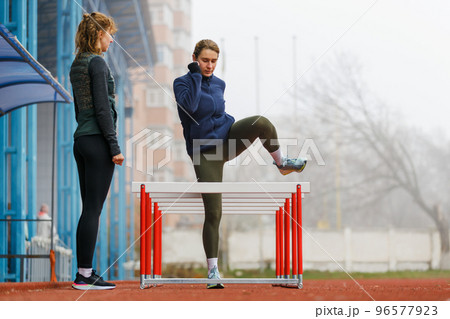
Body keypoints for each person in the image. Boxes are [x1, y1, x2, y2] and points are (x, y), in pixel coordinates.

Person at [173, 39, 307, 288]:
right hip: (204, 152)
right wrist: (194, 75)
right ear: (194, 58)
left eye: (214, 61)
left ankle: (281, 163)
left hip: (227, 138)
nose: (209, 65)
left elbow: (218, 113)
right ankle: (213, 272)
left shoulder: (219, 84)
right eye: (204, 60)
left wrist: (231, 129)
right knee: (214, 212)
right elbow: (190, 107)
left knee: (261, 123)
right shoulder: (182, 83)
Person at [69, 12, 124, 290]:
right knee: (93, 209)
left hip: (81, 140)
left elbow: (81, 109)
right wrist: (114, 146)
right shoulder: (98, 64)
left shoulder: (77, 64)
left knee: (87, 209)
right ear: (98, 34)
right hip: (98, 142)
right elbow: (103, 109)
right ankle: (84, 276)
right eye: (108, 33)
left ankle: (84, 272)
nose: (112, 39)